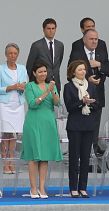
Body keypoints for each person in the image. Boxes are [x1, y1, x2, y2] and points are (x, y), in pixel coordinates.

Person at [68, 29, 109, 160]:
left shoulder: (100, 53)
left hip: (97, 97)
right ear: (84, 40)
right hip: (80, 99)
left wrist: (99, 65)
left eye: (96, 39)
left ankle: (92, 158)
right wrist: (87, 78)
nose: (94, 41)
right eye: (91, 39)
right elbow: (70, 73)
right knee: (82, 128)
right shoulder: (77, 53)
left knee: (94, 129)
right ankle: (81, 157)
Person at [22, 62, 61, 199]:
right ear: (34, 73)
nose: (43, 74)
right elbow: (33, 104)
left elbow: (57, 103)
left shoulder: (52, 85)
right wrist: (46, 91)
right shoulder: (30, 86)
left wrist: (52, 91)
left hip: (48, 122)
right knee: (33, 157)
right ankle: (33, 188)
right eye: (40, 72)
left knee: (44, 157)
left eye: (45, 71)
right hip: (33, 123)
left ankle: (42, 187)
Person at [63, 60, 100, 198]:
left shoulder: (91, 86)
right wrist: (81, 102)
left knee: (86, 157)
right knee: (74, 157)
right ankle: (73, 187)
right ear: (73, 72)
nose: (83, 72)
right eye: (80, 70)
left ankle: (83, 187)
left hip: (88, 125)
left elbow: (98, 104)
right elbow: (70, 107)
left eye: (84, 69)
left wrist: (91, 103)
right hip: (75, 126)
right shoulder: (68, 87)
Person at [0, 43, 28, 175]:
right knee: (6, 134)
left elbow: (25, 83)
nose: (13, 56)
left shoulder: (22, 68)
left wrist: (22, 86)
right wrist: (10, 87)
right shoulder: (1, 69)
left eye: (15, 53)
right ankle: (5, 163)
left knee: (14, 134)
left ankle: (11, 162)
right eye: (10, 53)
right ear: (6, 55)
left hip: (18, 104)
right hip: (5, 104)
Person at [26, 18, 64, 92]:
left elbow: (58, 63)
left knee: (56, 103)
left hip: (55, 83)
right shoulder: (36, 45)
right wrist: (34, 83)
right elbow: (29, 66)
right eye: (48, 28)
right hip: (40, 84)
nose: (51, 31)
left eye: (53, 28)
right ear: (43, 29)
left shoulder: (60, 45)